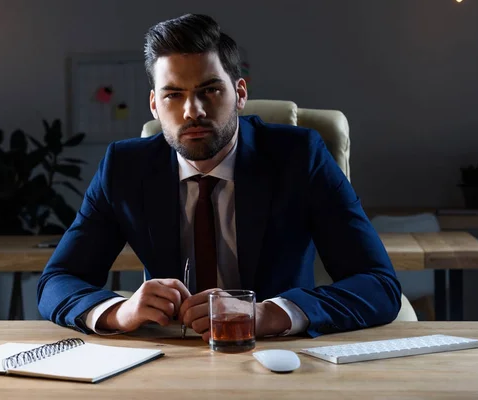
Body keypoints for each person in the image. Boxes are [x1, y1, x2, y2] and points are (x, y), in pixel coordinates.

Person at [37, 13, 401, 340]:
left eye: (209, 90)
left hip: (278, 357)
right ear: (154, 105)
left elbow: (379, 284)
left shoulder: (299, 157)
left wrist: (267, 314)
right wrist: (120, 310)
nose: (192, 111)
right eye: (173, 95)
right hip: (167, 358)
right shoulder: (124, 167)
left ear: (239, 94)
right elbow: (57, 281)